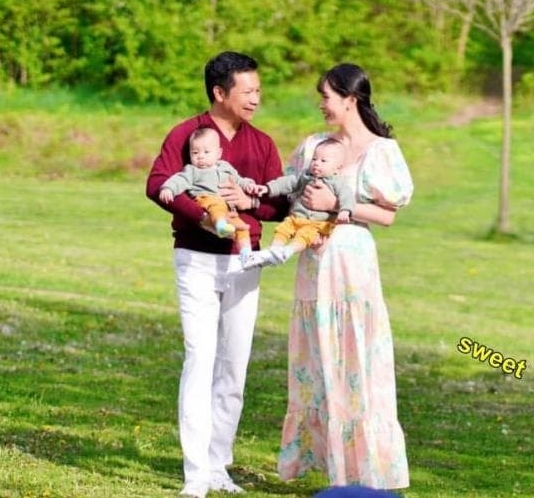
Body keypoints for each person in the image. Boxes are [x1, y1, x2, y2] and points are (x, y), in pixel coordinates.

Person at [146, 52, 286, 498]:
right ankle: (195, 475)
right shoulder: (186, 134)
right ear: (219, 92)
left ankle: (217, 465)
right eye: (248, 91)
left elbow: (280, 205)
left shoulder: (262, 144)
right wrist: (203, 217)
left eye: (258, 91)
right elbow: (158, 184)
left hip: (244, 262)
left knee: (234, 366)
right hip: (195, 259)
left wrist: (249, 204)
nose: (256, 99)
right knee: (199, 358)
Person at [277, 63, 413, 490]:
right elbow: (290, 192)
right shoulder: (314, 146)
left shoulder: (381, 151)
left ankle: (366, 470)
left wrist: (338, 207)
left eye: (326, 96)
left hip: (352, 268)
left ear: (350, 99)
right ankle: (327, 465)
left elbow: (388, 215)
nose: (321, 104)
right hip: (315, 266)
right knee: (317, 361)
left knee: (357, 359)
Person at [242, 138, 355, 269]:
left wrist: (345, 210)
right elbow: (287, 182)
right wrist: (268, 188)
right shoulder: (305, 176)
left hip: (318, 223)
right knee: (283, 229)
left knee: (305, 236)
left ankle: (288, 251)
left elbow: (347, 196)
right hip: (296, 217)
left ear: (337, 169)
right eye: (314, 159)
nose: (316, 163)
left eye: (323, 161)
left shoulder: (338, 183)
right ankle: (275, 250)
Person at [159, 126, 256, 263]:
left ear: (219, 153)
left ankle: (246, 254)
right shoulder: (192, 170)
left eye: (206, 152)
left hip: (228, 210)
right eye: (195, 152)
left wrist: (249, 185)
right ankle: (220, 226)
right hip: (205, 200)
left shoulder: (226, 168)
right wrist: (168, 189)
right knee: (216, 204)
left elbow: (239, 180)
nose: (200, 157)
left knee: (242, 228)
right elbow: (179, 180)